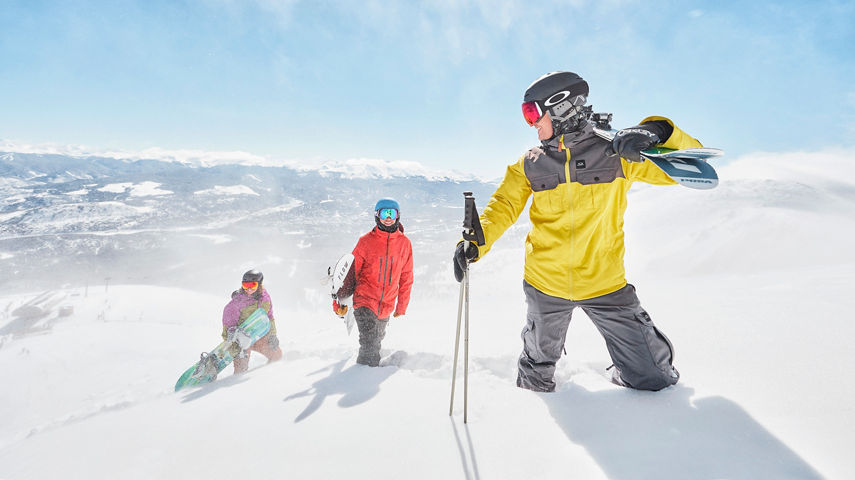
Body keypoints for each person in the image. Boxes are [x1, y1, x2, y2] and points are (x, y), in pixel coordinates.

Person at [453, 71, 699, 392]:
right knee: (535, 377)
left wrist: (657, 130)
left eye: (533, 113)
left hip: (604, 283)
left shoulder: (617, 154)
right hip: (546, 283)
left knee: (653, 378)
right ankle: (524, 415)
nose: (531, 124)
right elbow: (502, 207)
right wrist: (474, 244)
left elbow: (692, 165)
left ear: (561, 107)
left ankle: (625, 368)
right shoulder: (530, 163)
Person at [334, 198, 414, 366]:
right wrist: (340, 301)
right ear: (377, 215)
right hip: (365, 301)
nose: (388, 217)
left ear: (398, 216)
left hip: (387, 304)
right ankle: (364, 378)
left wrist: (402, 306)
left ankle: (365, 374)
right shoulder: (366, 241)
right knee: (369, 345)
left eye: (393, 213)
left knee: (376, 341)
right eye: (385, 213)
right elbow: (350, 273)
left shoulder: (404, 244)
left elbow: (406, 277)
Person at [222, 269, 283, 374]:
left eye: (252, 285)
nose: (249, 289)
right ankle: (235, 386)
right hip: (241, 341)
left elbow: (269, 317)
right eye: (245, 285)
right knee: (241, 370)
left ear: (259, 284)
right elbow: (227, 325)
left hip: (257, 337)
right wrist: (233, 340)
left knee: (277, 356)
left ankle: (266, 375)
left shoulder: (265, 298)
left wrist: (272, 335)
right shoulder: (237, 303)